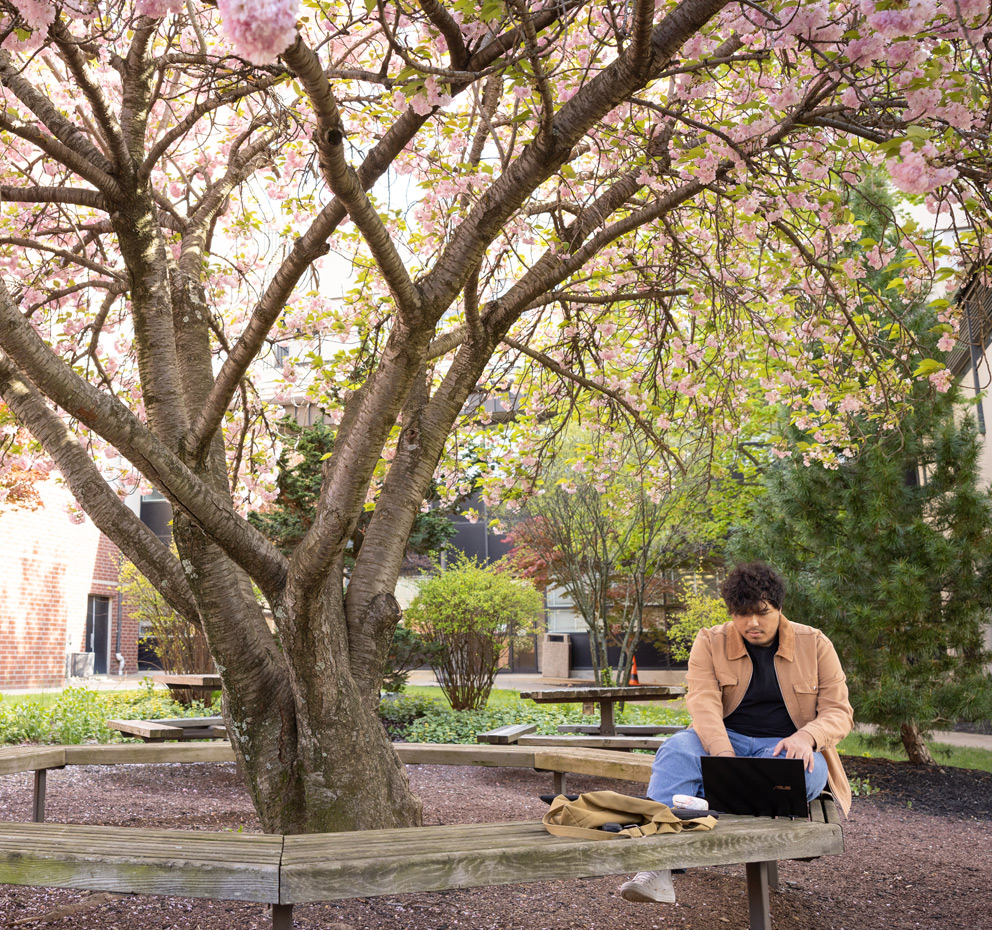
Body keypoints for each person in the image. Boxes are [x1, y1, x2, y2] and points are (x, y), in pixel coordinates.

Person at [620, 561, 854, 904]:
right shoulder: (710, 641)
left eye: (762, 612)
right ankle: (657, 867)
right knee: (676, 750)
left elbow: (839, 712)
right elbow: (702, 704)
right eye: (741, 614)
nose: (752, 623)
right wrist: (724, 756)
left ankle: (709, 801)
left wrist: (807, 737)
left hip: (783, 747)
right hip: (723, 740)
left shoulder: (815, 644)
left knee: (809, 773)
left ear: (778, 607)